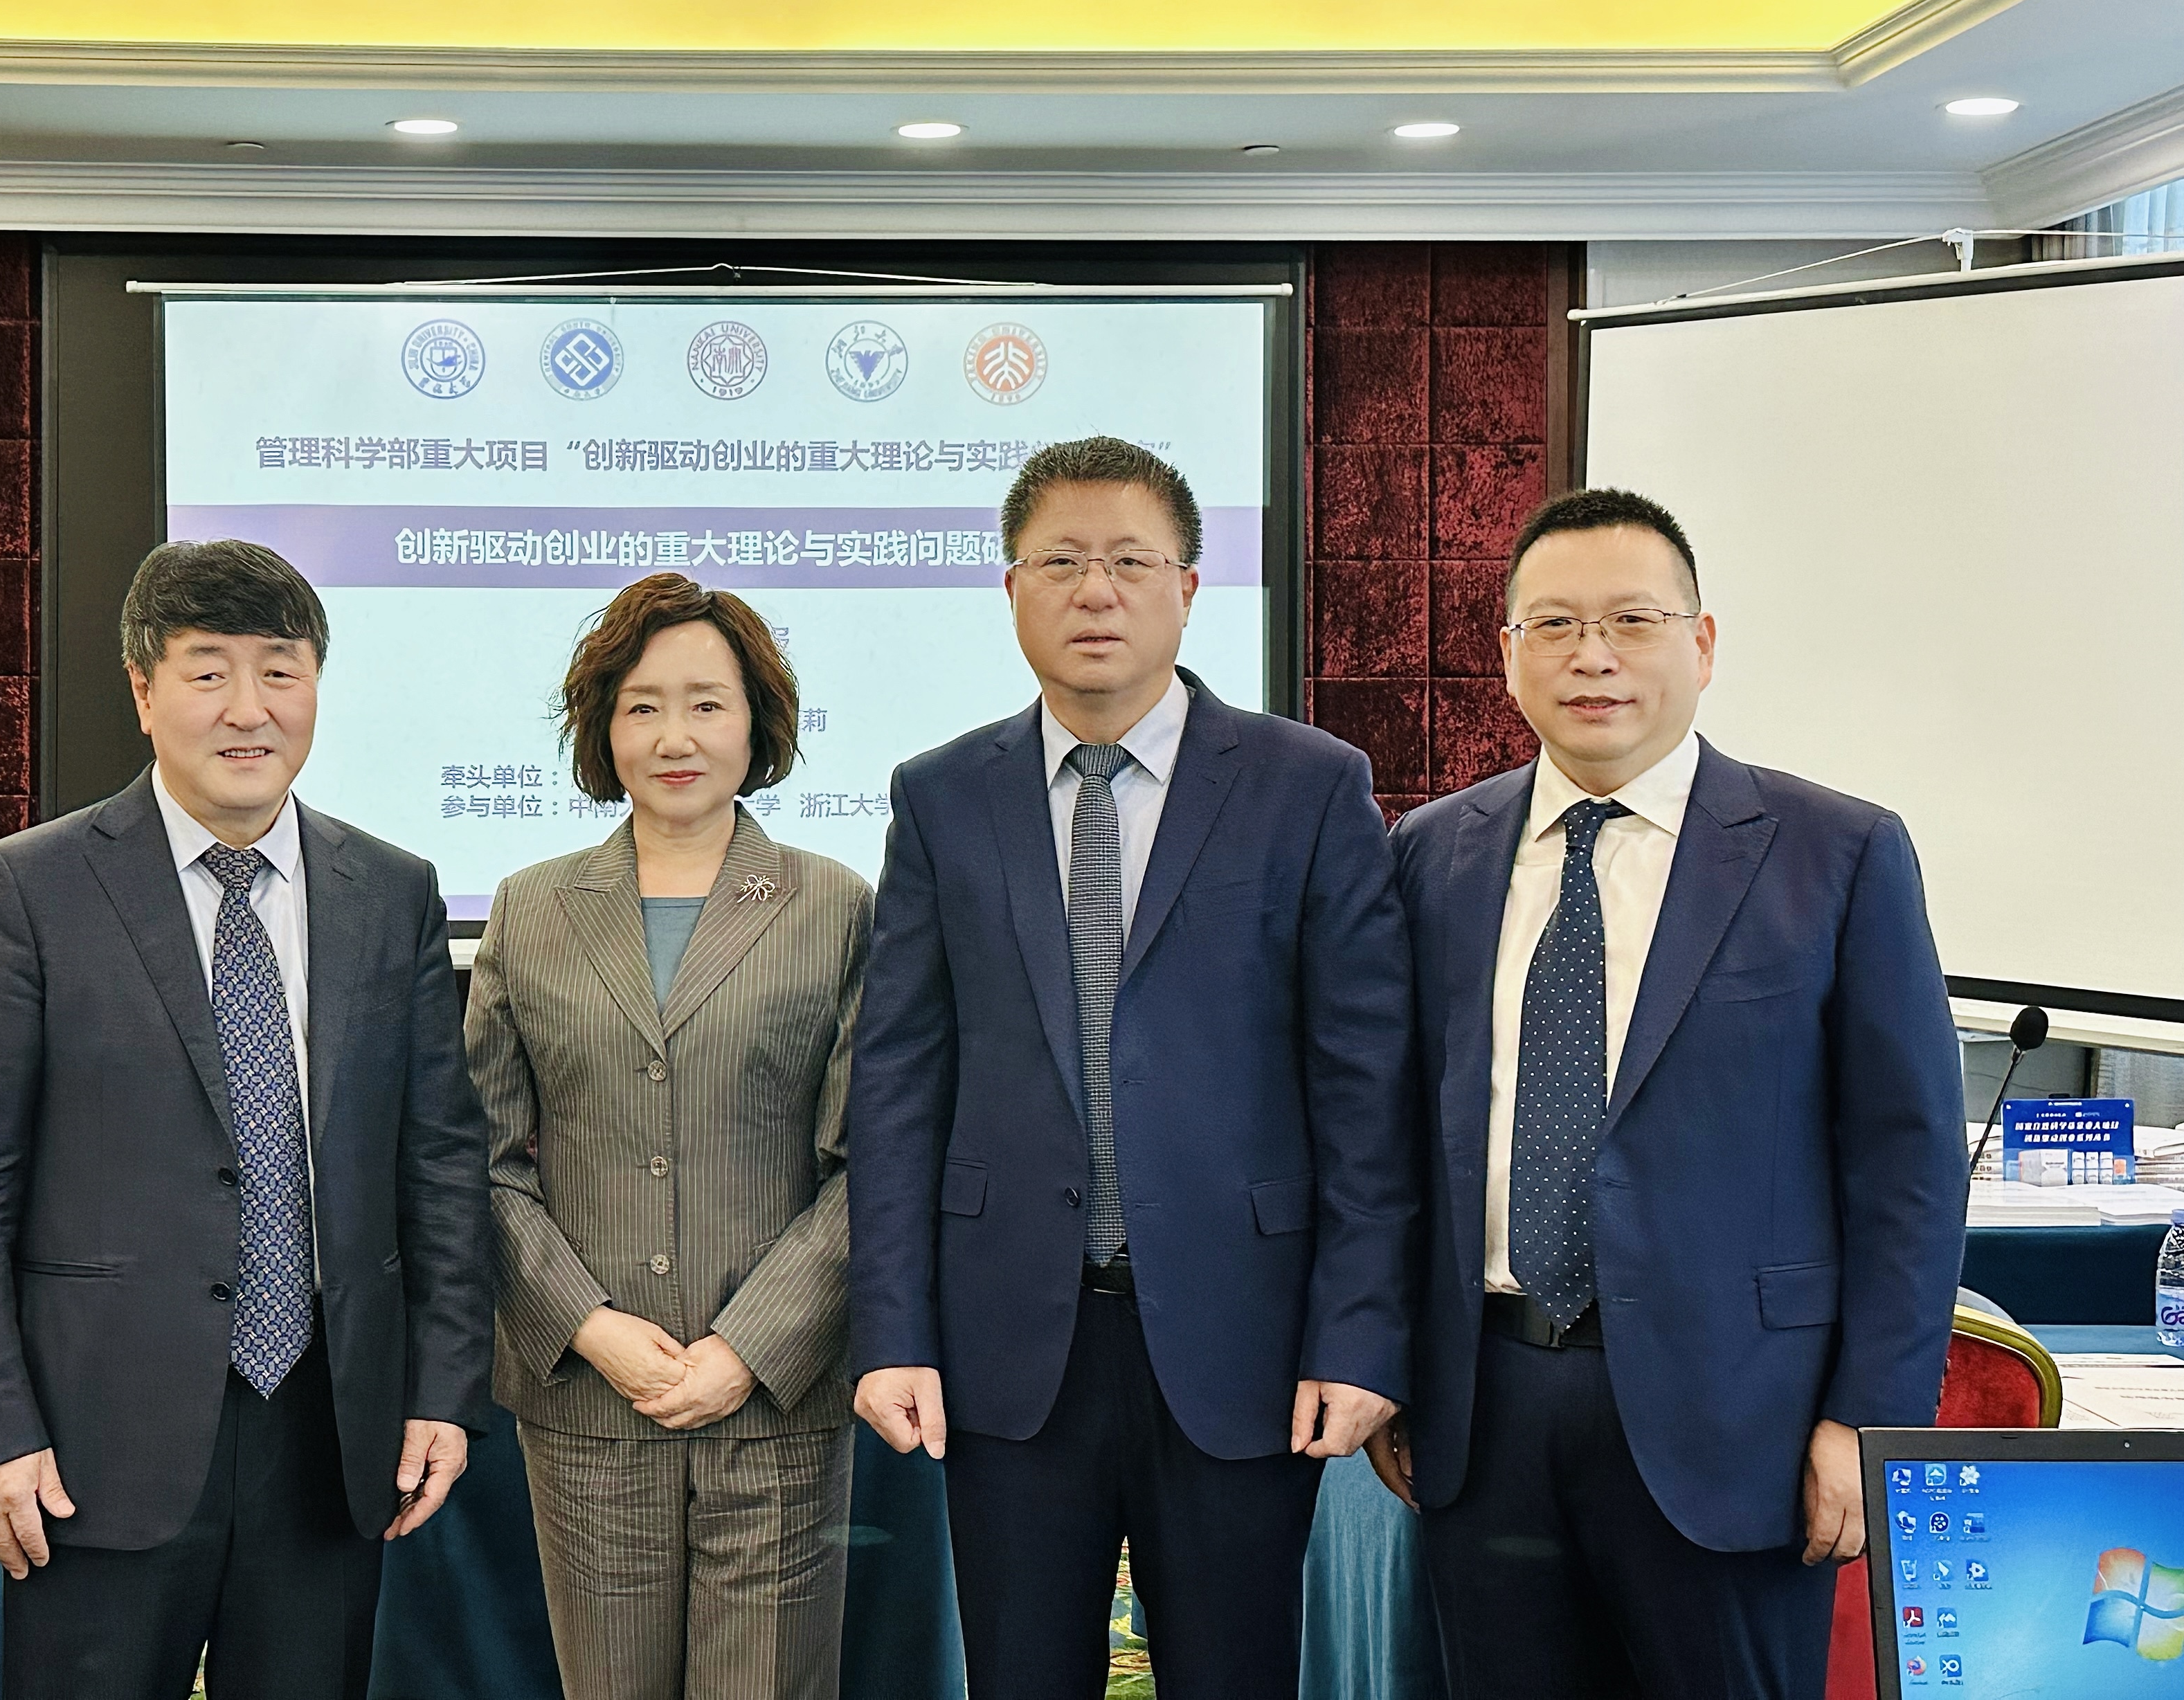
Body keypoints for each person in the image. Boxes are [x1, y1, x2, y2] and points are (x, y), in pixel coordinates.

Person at [1371, 487, 1968, 1700]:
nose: (1592, 656)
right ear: (1508, 653)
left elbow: (1907, 1169)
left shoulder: (1835, 852)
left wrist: (1868, 1421)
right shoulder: (1432, 853)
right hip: (1486, 1405)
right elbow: (1390, 1139)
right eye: (1554, 624)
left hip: (1743, 1419)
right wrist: (1385, 1360)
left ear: (1701, 643)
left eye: (1632, 621)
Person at [847, 435, 1418, 1700]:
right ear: (1012, 590)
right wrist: (892, 1329)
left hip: (1245, 1337)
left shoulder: (1308, 786)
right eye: (1060, 562)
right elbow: (897, 1085)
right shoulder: (942, 796)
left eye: (1129, 561)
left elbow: (1366, 1089)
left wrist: (1361, 1331)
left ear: (1190, 587)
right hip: (1010, 1342)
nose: (1094, 591)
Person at [0, 538, 494, 1700]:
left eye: (280, 671)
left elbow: (439, 1165)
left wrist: (441, 1391)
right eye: (208, 670)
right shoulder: (28, 889)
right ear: (142, 688)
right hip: (89, 1442)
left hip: (329, 1433)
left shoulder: (393, 891)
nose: (248, 709)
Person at [464, 573, 872, 1700]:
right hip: (589, 1401)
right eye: (641, 706)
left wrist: (747, 1347)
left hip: (775, 1403)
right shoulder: (530, 908)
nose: (674, 737)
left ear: (758, 723)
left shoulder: (835, 905)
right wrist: (591, 1328)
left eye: (707, 704)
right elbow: (482, 1160)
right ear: (603, 728)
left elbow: (868, 1164)